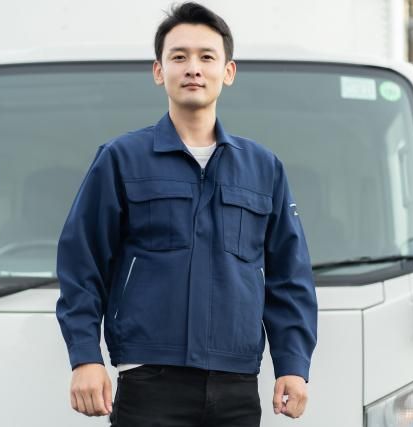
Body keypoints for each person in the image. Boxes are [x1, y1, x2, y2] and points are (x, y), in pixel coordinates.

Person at [55, 3, 318, 426]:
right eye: (179, 56)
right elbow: (81, 262)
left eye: (206, 57)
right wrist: (85, 356)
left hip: (235, 385)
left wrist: (293, 364)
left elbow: (290, 276)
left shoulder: (263, 168)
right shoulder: (122, 159)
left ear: (228, 72)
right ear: (159, 71)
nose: (193, 68)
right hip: (149, 381)